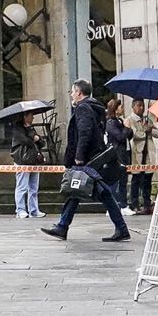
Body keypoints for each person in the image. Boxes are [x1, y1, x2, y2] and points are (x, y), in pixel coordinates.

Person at [43, 79, 130, 242]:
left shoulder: (83, 108)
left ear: (79, 92)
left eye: (72, 91)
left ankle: (63, 226)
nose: (71, 94)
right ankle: (63, 226)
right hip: (94, 157)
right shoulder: (95, 107)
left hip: (87, 160)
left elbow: (85, 132)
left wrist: (79, 156)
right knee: (83, 191)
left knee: (83, 191)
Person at [10, 115, 47, 219]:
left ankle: (34, 210)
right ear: (25, 116)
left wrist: (38, 138)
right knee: (22, 186)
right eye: (31, 115)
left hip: (33, 160)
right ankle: (20, 210)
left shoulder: (31, 128)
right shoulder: (18, 129)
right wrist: (33, 137)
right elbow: (26, 141)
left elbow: (41, 142)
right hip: (22, 160)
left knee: (34, 187)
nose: (33, 118)